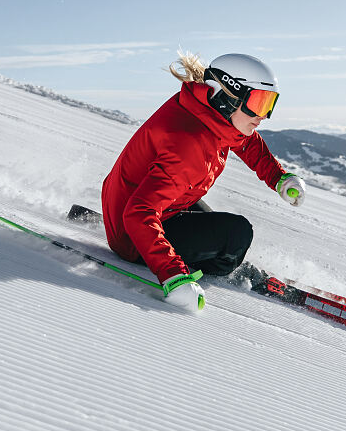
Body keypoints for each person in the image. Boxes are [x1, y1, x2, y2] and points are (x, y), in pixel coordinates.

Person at [101, 51, 307, 309]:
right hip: (132, 237)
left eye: (269, 103)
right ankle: (218, 266)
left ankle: (214, 256)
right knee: (236, 235)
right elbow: (138, 213)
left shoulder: (204, 110)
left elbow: (245, 142)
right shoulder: (189, 145)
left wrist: (279, 178)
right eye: (258, 103)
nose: (264, 115)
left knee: (218, 229)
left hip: (149, 206)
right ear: (227, 96)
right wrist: (173, 276)